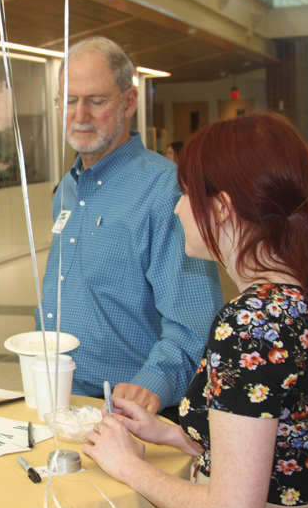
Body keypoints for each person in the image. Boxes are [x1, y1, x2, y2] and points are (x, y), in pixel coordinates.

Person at [82, 112, 308, 508]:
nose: (177, 209)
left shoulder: (252, 322)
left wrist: (127, 465)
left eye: (188, 195)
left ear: (222, 207)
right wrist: (174, 434)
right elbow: (283, 444)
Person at [38, 36, 221, 416]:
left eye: (97, 100)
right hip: (60, 398)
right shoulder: (68, 189)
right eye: (69, 101)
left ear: (129, 102)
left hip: (133, 415)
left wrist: (149, 387)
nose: (80, 114)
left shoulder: (166, 191)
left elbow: (195, 324)